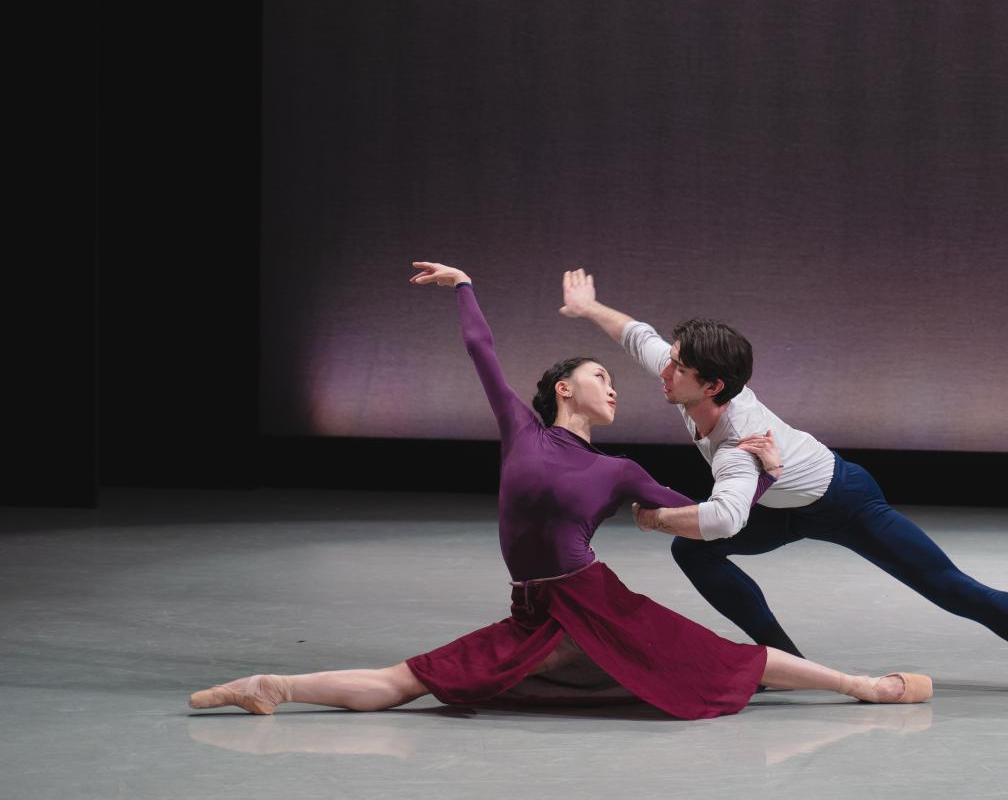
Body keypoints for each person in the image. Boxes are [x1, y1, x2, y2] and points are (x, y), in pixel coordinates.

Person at [188, 262, 931, 721]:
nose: (617, 384)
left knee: (727, 660)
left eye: (614, 377)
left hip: (597, 602)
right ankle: (272, 686)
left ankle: (867, 686)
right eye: (599, 376)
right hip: (536, 611)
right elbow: (482, 351)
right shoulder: (521, 429)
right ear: (560, 388)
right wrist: (465, 286)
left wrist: (759, 470)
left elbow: (712, 519)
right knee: (412, 680)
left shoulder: (618, 472)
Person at [558, 268, 1008, 700]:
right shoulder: (687, 379)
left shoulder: (741, 443)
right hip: (784, 507)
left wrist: (654, 516)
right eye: (671, 360)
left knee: (957, 592)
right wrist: (589, 309)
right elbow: (635, 333)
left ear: (712, 385)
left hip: (845, 500)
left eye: (678, 366)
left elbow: (723, 519)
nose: (663, 370)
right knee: (693, 553)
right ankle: (786, 663)